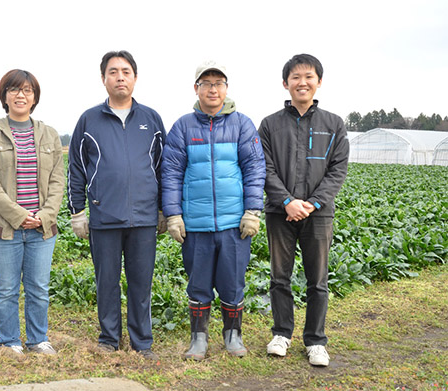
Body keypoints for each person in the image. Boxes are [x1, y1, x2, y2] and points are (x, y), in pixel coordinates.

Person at [161, 60, 266, 360]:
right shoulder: (183, 126)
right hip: (196, 224)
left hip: (235, 224)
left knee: (233, 282)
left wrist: (253, 211)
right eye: (206, 83)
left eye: (218, 83)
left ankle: (233, 335)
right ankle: (199, 337)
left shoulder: (242, 124)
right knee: (199, 284)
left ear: (226, 88)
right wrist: (173, 215)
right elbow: (170, 173)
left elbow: (255, 168)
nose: (212, 89)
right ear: (196, 89)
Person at [66, 50, 166, 360]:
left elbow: (164, 168)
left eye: (125, 71)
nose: (119, 76)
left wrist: (164, 209)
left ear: (135, 77)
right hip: (103, 216)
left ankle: (142, 342)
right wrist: (78, 212)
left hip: (144, 218)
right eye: (113, 72)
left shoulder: (151, 119)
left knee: (141, 283)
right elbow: (76, 168)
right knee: (106, 281)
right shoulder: (89, 120)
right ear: (103, 79)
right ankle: (109, 339)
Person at [258, 54, 349, 367]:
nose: (302, 82)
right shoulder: (269, 124)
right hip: (278, 211)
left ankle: (316, 340)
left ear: (319, 82)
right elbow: (265, 167)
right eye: (295, 77)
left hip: (318, 213)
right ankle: (282, 333)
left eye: (309, 76)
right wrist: (287, 201)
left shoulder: (333, 124)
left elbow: (337, 169)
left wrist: (313, 203)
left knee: (318, 279)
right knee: (279, 277)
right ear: (286, 84)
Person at [0, 69, 65, 355]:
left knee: (38, 288)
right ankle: (9, 341)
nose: (20, 95)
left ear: (34, 97)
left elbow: (57, 180)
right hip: (4, 228)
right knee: (7, 288)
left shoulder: (49, 134)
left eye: (27, 90)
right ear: (5, 96)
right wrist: (17, 215)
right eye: (14, 89)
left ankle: (38, 340)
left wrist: (45, 215)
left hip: (41, 228)